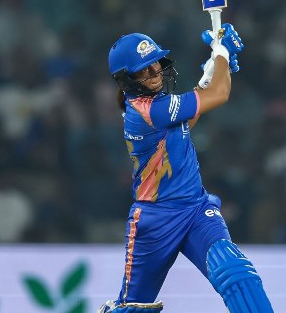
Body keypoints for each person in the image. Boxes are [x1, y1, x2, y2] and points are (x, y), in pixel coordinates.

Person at [98, 23, 275, 313]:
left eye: (155, 63)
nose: (155, 72)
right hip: (155, 220)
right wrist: (221, 54)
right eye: (144, 70)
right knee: (132, 309)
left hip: (195, 209)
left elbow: (186, 120)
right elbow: (220, 94)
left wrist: (210, 73)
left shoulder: (160, 106)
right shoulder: (147, 110)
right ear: (127, 79)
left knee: (236, 273)